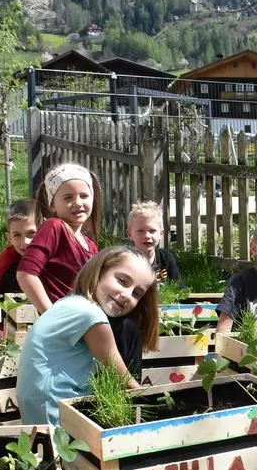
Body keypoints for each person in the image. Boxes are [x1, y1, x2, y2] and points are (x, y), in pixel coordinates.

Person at [16, 246, 159, 426]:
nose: (127, 295)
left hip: (39, 415)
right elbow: (124, 381)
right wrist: (158, 407)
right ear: (99, 271)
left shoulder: (70, 302)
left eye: (137, 293)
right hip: (57, 420)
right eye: (122, 281)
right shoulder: (91, 316)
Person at [16, 162, 101, 314]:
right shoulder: (53, 227)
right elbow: (25, 274)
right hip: (61, 320)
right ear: (52, 205)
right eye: (68, 197)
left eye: (84, 196)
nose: (78, 203)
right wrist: (51, 316)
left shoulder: (90, 245)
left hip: (82, 319)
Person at [0, 199, 41, 296]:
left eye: (31, 233)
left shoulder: (57, 251)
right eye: (17, 235)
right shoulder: (9, 258)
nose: (25, 242)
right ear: (9, 238)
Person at [127, 200, 183, 286]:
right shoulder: (125, 260)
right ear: (130, 234)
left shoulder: (166, 258)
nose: (147, 236)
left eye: (152, 231)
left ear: (161, 233)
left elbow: (178, 287)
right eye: (140, 231)